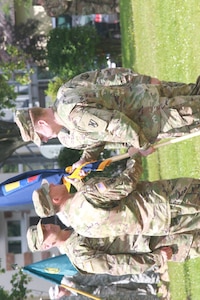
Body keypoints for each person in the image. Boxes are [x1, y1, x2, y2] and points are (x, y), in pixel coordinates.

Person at [15, 67, 200, 168]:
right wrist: (86, 159)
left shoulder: (74, 117)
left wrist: (142, 146)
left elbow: (117, 124)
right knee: (195, 92)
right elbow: (98, 136)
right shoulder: (65, 93)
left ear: (41, 122)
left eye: (41, 136)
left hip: (157, 116)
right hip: (147, 95)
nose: (46, 139)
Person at [31, 154, 200, 238]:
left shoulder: (79, 226)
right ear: (55, 199)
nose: (52, 184)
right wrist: (135, 154)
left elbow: (104, 208)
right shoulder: (87, 194)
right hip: (163, 202)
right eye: (50, 188)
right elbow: (125, 184)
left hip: (158, 225)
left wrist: (78, 182)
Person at [27, 220, 174, 277]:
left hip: (152, 223)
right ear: (47, 246)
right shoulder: (78, 254)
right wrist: (155, 258)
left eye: (44, 226)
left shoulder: (75, 223)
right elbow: (117, 265)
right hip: (152, 243)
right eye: (45, 233)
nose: (48, 227)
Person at [48, 272, 160, 300]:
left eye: (58, 288)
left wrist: (72, 287)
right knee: (132, 294)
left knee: (131, 285)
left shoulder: (68, 283)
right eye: (59, 292)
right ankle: (155, 294)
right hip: (105, 294)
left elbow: (84, 289)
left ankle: (155, 287)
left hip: (104, 286)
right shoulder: (71, 297)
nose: (61, 290)